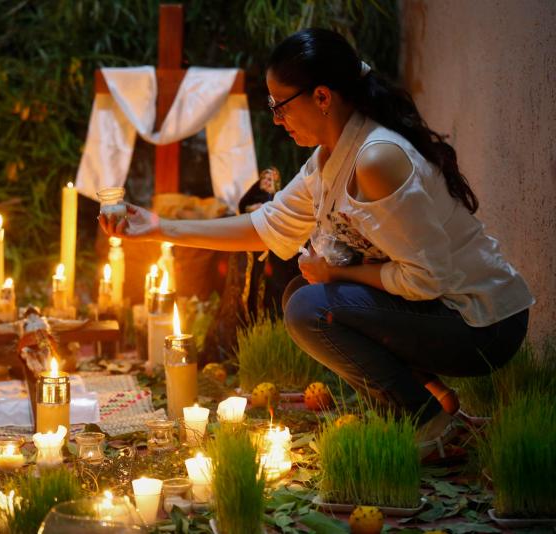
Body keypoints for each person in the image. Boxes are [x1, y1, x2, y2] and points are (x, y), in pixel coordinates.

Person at [99, 28, 534, 456]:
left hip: (483, 323)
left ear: (322, 97)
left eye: (280, 105)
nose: (276, 118)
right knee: (301, 294)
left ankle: (429, 426)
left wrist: (337, 272)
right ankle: (428, 405)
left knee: (312, 307)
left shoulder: (375, 158)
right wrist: (160, 227)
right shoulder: (330, 157)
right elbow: (263, 226)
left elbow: (427, 279)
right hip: (445, 312)